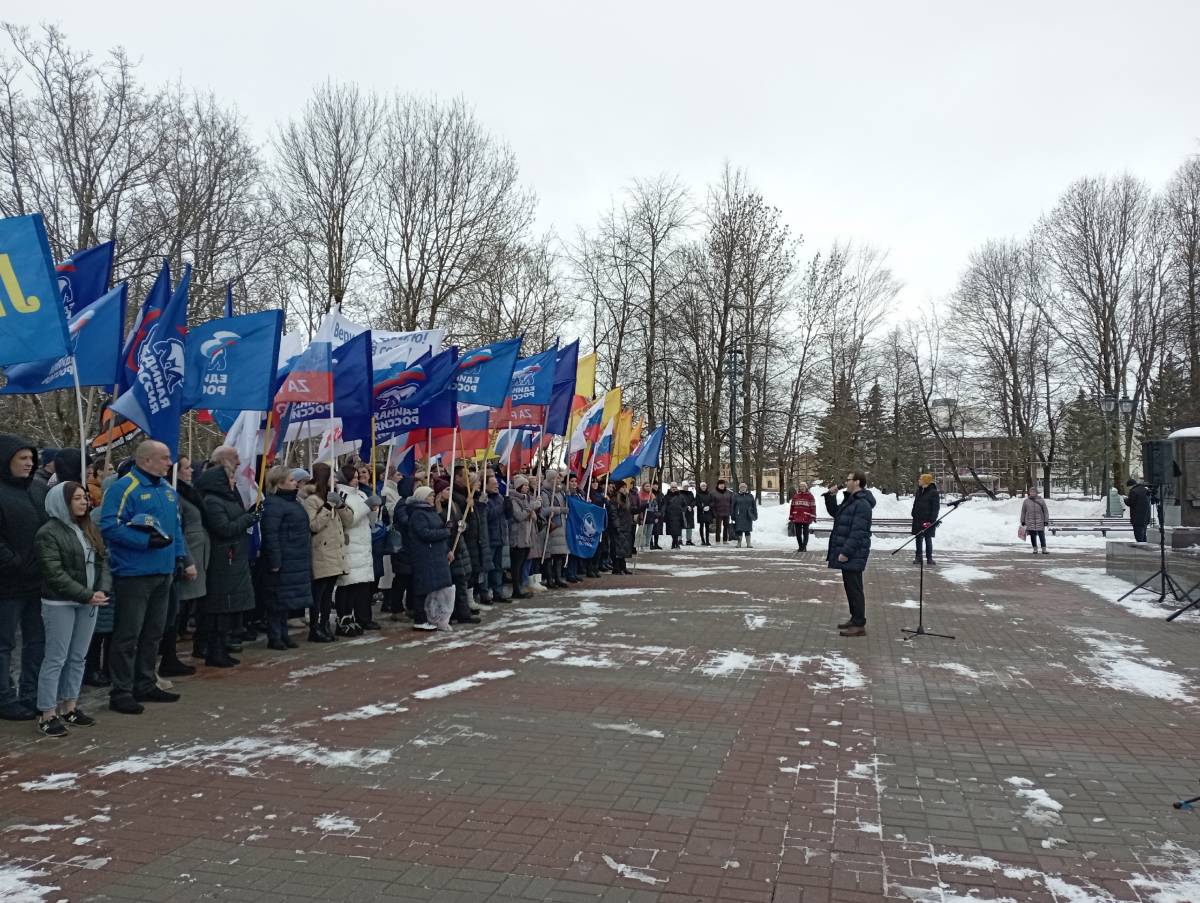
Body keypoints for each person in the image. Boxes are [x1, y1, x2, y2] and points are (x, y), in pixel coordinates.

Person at [99, 440, 192, 714]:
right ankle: (121, 691)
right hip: (134, 573)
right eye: (164, 458)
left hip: (163, 572)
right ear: (146, 460)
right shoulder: (123, 487)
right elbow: (109, 525)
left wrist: (180, 558)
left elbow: (175, 527)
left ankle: (145, 682)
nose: (169, 463)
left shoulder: (167, 490)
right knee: (128, 634)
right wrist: (144, 541)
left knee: (154, 632)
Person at [32, 482, 111, 737]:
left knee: (78, 657)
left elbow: (102, 560)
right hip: (60, 603)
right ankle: (47, 712)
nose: (83, 502)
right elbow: (54, 573)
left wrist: (101, 590)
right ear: (61, 501)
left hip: (89, 602)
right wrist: (87, 594)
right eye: (77, 498)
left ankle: (70, 706)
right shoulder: (49, 532)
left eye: (85, 498)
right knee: (56, 657)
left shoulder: (88, 527)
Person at [0, 435, 48, 721]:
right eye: (23, 458)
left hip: (38, 582)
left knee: (37, 641)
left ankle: (31, 693)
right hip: (7, 585)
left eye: (31, 458)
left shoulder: (39, 490)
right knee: (4, 645)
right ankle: (4, 697)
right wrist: (14, 562)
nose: (29, 464)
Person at [195, 453, 259, 664]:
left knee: (227, 609)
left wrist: (249, 514)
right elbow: (224, 527)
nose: (234, 481)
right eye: (231, 478)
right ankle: (215, 651)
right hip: (222, 560)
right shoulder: (213, 501)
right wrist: (249, 518)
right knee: (219, 609)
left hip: (233, 558)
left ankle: (222, 648)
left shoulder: (226, 499)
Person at [259, 466, 313, 650]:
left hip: (295, 557)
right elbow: (271, 534)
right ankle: (275, 636)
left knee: (285, 600)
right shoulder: (273, 504)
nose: (295, 483)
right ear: (279, 483)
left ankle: (283, 634)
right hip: (283, 558)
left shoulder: (293, 502)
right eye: (291, 480)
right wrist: (275, 560)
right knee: (276, 600)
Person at [302, 462, 351, 642]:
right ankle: (315, 627)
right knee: (319, 593)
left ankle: (324, 625)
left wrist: (340, 505)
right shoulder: (312, 500)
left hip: (334, 551)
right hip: (321, 552)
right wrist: (327, 507)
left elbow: (348, 521)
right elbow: (313, 525)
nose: (335, 480)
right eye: (331, 476)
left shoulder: (333, 496)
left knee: (327, 592)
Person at [824, 472, 875, 638]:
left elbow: (858, 532)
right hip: (849, 550)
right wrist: (831, 496)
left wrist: (846, 552)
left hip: (854, 552)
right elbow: (837, 514)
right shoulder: (851, 500)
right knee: (850, 587)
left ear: (857, 482)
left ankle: (859, 624)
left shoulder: (862, 504)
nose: (845, 482)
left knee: (855, 588)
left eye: (848, 479)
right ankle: (855, 618)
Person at [336, 464, 378, 633]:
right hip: (350, 544)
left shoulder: (360, 493)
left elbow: (370, 520)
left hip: (363, 544)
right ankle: (345, 617)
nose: (356, 480)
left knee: (363, 585)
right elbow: (349, 519)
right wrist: (367, 506)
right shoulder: (342, 494)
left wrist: (374, 510)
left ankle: (364, 617)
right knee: (348, 584)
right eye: (353, 477)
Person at [407, 485, 456, 630]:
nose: (433, 497)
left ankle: (437, 617)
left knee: (437, 587)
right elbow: (425, 534)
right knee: (423, 588)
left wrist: (447, 549)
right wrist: (446, 532)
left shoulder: (431, 512)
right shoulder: (418, 515)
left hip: (436, 554)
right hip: (425, 555)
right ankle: (420, 619)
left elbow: (438, 531)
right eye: (430, 495)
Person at [176, 456, 209, 659]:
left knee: (190, 601)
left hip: (198, 553)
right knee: (180, 604)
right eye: (186, 468)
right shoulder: (177, 496)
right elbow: (178, 529)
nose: (191, 471)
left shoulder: (189, 493)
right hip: (188, 555)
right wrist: (186, 560)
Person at [539, 469, 569, 588]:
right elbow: (544, 510)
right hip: (552, 527)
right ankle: (549, 578)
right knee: (549, 555)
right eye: (556, 478)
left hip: (562, 526)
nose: (558, 481)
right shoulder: (545, 492)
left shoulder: (561, 492)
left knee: (559, 555)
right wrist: (559, 510)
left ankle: (558, 577)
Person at [508, 475, 536, 599]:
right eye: (524, 485)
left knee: (522, 562)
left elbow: (532, 516)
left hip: (526, 535)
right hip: (518, 537)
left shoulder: (525, 499)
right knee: (517, 565)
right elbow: (518, 516)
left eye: (527, 485)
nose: (527, 487)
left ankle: (520, 587)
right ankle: (516, 589)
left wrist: (530, 511)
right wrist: (530, 509)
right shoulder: (514, 500)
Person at [485, 475, 510, 602]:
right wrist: (502, 507)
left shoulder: (500, 497)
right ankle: (486, 593)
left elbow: (507, 516)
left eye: (497, 483)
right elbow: (489, 515)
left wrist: (508, 505)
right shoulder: (485, 499)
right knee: (488, 567)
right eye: (493, 483)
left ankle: (498, 592)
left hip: (500, 537)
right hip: (490, 538)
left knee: (499, 567)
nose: (496, 486)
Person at [910, 473, 940, 566]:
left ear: (925, 481)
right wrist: (913, 512)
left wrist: (931, 520)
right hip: (918, 519)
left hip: (927, 520)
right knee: (918, 538)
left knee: (927, 538)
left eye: (920, 479)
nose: (919, 480)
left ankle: (929, 558)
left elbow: (935, 508)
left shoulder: (933, 492)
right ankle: (918, 557)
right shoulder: (919, 491)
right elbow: (915, 504)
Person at [608, 483, 635, 575]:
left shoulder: (626, 499)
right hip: (618, 527)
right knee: (617, 548)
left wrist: (643, 507)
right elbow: (613, 514)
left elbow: (631, 510)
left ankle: (623, 567)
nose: (624, 489)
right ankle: (616, 568)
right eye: (622, 487)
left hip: (626, 526)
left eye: (625, 487)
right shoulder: (614, 500)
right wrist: (617, 526)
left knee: (623, 548)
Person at [1021, 486, 1050, 555]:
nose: (1032, 493)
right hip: (1030, 521)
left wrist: (1046, 520)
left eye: (1034, 492)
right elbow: (1023, 512)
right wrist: (1022, 521)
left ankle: (1044, 549)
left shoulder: (1041, 501)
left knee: (1041, 535)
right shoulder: (1026, 501)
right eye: (1031, 492)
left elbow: (1045, 511)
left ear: (1036, 493)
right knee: (1033, 536)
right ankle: (1035, 549)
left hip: (1040, 521)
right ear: (1029, 493)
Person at [788, 483, 817, 552]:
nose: (802, 488)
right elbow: (792, 507)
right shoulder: (796, 496)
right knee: (798, 533)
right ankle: (800, 547)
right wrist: (791, 516)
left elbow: (813, 507)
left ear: (806, 487)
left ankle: (804, 547)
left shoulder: (810, 496)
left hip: (806, 517)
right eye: (800, 486)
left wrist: (812, 516)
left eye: (803, 486)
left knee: (805, 533)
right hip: (797, 517)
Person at [1124, 478, 1152, 543]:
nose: (1129, 489)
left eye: (1129, 487)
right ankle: (1145, 550)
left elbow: (1130, 503)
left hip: (1137, 518)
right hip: (1146, 517)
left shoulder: (1133, 491)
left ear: (1130, 485)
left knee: (1138, 536)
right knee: (1143, 535)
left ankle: (1141, 551)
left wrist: (1125, 500)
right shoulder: (1145, 490)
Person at [731, 482, 758, 547]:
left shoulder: (750, 496)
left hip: (748, 515)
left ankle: (748, 544)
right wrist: (732, 515)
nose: (743, 489)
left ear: (746, 488)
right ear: (739, 488)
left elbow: (754, 506)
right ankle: (739, 543)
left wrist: (755, 514)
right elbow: (732, 506)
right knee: (739, 530)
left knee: (747, 530)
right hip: (739, 515)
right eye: (741, 487)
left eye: (744, 487)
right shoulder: (736, 495)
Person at [662, 483, 687, 549]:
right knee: (672, 531)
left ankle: (675, 544)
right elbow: (664, 505)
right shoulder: (666, 496)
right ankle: (675, 543)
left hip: (678, 516)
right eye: (672, 487)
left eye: (675, 487)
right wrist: (663, 513)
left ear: (677, 488)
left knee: (676, 531)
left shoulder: (681, 496)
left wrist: (682, 510)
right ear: (670, 488)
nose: (674, 488)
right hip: (669, 515)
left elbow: (685, 505)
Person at [710, 479, 734, 543]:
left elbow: (731, 503)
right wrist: (714, 513)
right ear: (718, 485)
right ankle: (717, 540)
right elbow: (712, 504)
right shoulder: (713, 493)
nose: (722, 486)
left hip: (726, 513)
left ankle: (725, 540)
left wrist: (731, 512)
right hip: (718, 514)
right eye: (720, 484)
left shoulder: (729, 493)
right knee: (718, 528)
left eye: (723, 484)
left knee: (726, 527)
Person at [695, 481, 714, 546]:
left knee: (707, 527)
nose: (704, 487)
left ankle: (707, 541)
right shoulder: (698, 494)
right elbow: (697, 502)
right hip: (701, 512)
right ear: (700, 487)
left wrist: (709, 506)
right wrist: (702, 507)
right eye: (702, 486)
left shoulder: (709, 494)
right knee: (701, 526)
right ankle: (703, 540)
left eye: (705, 486)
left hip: (708, 512)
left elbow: (712, 502)